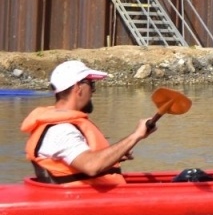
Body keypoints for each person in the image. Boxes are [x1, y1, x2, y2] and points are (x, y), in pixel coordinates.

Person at [20, 60, 156, 184]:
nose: (93, 91)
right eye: (91, 84)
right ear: (78, 87)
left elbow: (79, 161)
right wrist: (136, 135)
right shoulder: (61, 130)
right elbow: (91, 166)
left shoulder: (63, 125)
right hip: (78, 202)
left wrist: (115, 156)